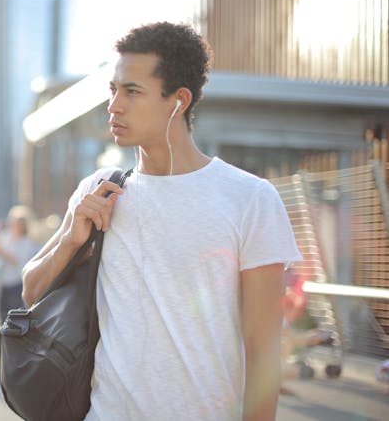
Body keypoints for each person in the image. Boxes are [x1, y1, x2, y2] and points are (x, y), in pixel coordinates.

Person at [21, 22, 301, 420]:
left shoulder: (250, 199)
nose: (114, 106)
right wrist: (71, 237)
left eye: (132, 91)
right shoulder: (99, 190)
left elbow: (263, 349)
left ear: (179, 101)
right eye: (113, 90)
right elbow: (31, 292)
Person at [0, 205, 40, 323]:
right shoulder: (4, 238)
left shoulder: (28, 243)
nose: (16, 224)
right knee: (2, 320)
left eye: (20, 221)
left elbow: (17, 262)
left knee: (16, 321)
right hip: (2, 285)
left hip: (18, 285)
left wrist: (0, 249)